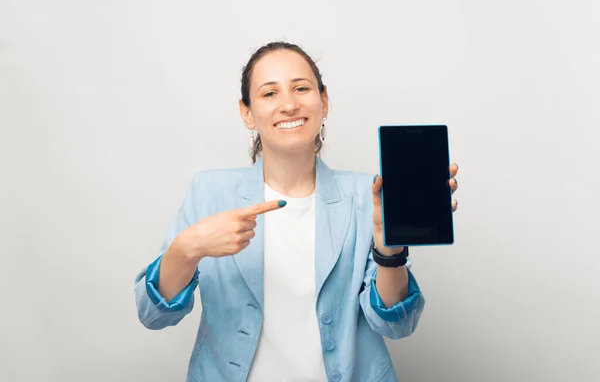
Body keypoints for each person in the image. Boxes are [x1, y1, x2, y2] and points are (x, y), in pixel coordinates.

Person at [134, 41, 459, 382]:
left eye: (301, 88)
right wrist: (189, 247)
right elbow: (153, 314)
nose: (288, 105)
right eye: (269, 94)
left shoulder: (369, 195)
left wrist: (389, 249)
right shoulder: (209, 193)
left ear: (324, 101)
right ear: (247, 112)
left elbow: (397, 325)